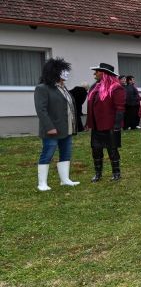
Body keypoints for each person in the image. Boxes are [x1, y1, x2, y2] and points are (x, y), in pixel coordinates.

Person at [33, 57, 80, 190]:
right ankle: (42, 183)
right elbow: (41, 110)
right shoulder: (42, 88)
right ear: (54, 72)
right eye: (63, 70)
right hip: (52, 129)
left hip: (67, 129)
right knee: (47, 153)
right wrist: (49, 127)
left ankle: (65, 179)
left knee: (66, 153)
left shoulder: (63, 88)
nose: (66, 73)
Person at [86, 62, 126, 182]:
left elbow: (120, 108)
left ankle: (116, 173)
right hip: (97, 125)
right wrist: (88, 122)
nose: (94, 74)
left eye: (97, 71)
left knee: (112, 150)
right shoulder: (94, 87)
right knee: (96, 150)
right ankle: (98, 173)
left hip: (110, 125)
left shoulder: (116, 87)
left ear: (104, 73)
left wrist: (117, 125)